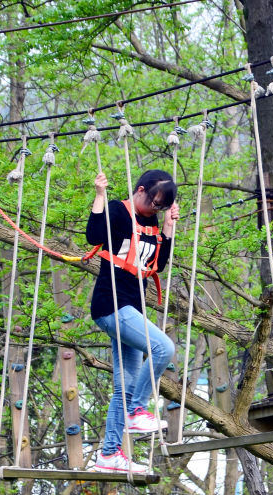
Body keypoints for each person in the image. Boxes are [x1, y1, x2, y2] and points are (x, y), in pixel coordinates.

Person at [86, 168, 179, 474]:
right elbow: (94, 236)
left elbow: (158, 264)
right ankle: (137, 410)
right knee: (164, 348)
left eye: (161, 207)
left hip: (132, 309)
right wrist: (100, 195)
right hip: (111, 304)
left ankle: (109, 455)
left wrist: (167, 227)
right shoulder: (118, 210)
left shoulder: (152, 221)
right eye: (154, 203)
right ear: (140, 191)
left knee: (123, 388)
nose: (155, 209)